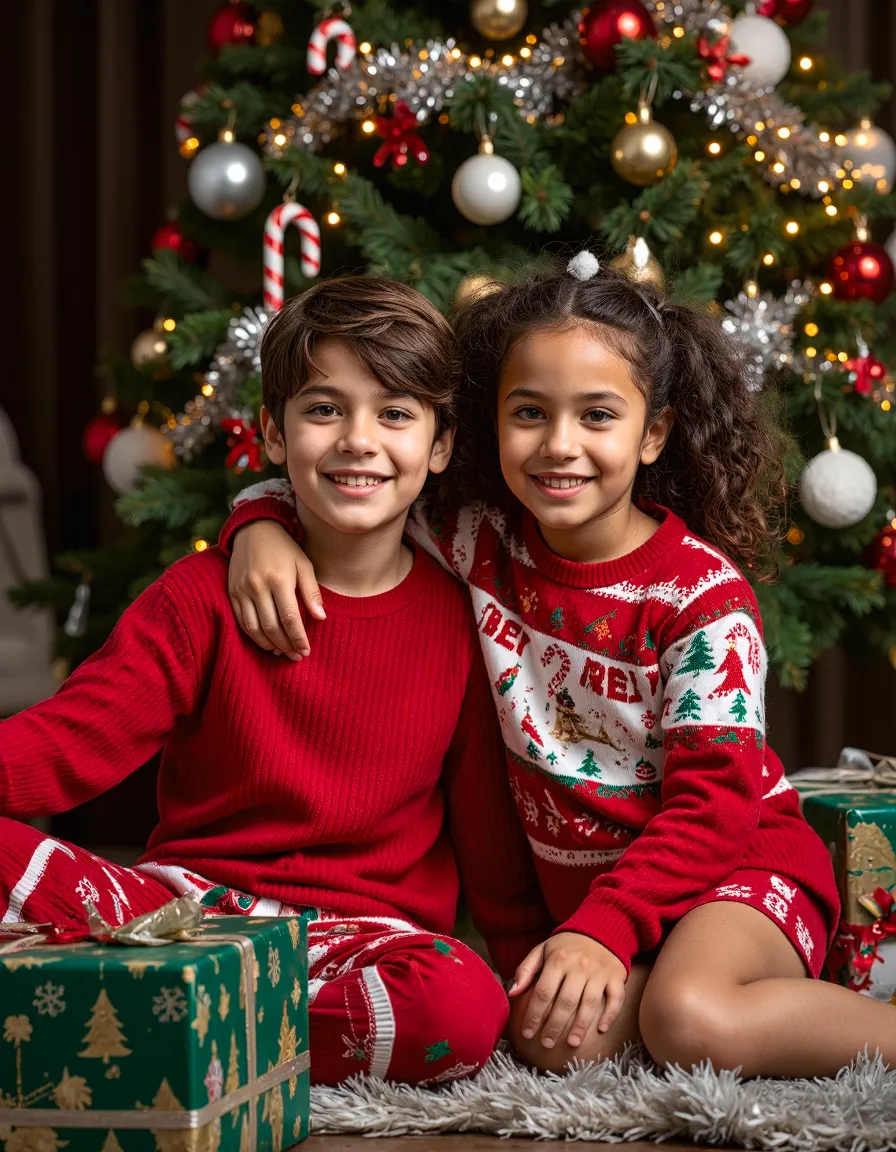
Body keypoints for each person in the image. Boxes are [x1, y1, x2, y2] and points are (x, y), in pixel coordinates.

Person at [220, 254, 896, 1079]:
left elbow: (715, 807)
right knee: (550, 1042)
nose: (559, 446)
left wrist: (599, 929)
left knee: (690, 1018)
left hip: (735, 868)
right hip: (605, 911)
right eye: (529, 413)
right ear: (488, 421)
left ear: (654, 433)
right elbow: (354, 491)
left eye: (598, 416)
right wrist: (255, 522)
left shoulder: (699, 599)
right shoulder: (477, 542)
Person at [0, 276, 553, 1088]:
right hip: (182, 923)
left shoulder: (462, 623)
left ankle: (136, 1026)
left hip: (359, 943)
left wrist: (523, 985)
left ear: (438, 447)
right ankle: (176, 1019)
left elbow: (490, 849)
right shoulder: (199, 598)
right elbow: (65, 742)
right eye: (325, 409)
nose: (358, 440)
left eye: (395, 414)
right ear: (272, 431)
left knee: (459, 1006)